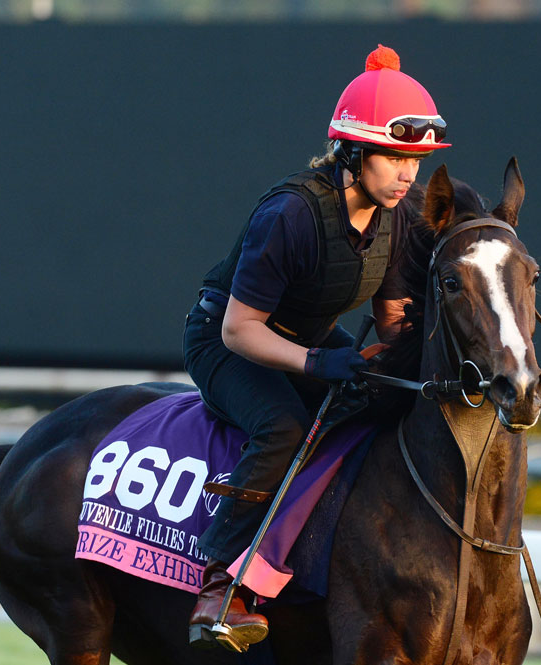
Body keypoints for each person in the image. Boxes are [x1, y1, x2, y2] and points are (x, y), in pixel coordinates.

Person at [183, 44, 450, 648]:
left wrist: (415, 362)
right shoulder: (291, 213)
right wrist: (317, 362)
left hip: (303, 339)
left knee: (384, 402)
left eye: (416, 160)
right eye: (395, 156)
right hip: (224, 340)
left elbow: (390, 320)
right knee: (282, 425)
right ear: (353, 151)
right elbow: (238, 329)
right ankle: (223, 583)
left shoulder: (399, 216)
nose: (409, 174)